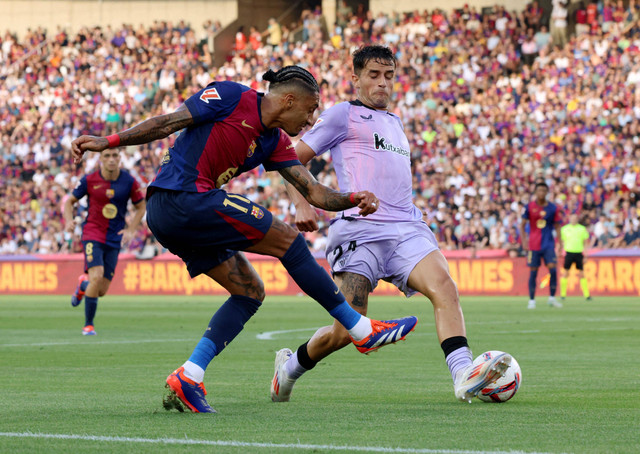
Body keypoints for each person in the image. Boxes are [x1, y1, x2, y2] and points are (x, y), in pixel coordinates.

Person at [70, 65, 418, 413]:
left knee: (250, 291)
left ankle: (189, 376)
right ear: (289, 100)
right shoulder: (231, 96)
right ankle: (359, 328)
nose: (311, 120)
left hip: (183, 215)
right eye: (310, 110)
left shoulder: (275, 141)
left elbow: (313, 191)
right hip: (179, 197)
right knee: (288, 239)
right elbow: (168, 122)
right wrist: (109, 141)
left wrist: (351, 198)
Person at [270, 46, 511, 405]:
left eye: (388, 75)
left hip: (406, 228)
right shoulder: (343, 115)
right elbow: (288, 158)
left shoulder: (396, 123)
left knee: (445, 287)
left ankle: (462, 374)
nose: (382, 83)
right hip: (358, 231)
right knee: (345, 332)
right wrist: (301, 202)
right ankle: (289, 369)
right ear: (356, 78)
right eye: (373, 75)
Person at [63, 149, 146, 335]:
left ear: (120, 158)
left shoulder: (129, 181)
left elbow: (141, 206)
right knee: (97, 275)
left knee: (101, 290)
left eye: (114, 156)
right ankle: (88, 325)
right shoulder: (89, 180)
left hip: (115, 237)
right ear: (100, 159)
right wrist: (69, 221)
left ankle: (82, 286)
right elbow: (70, 202)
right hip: (92, 233)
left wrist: (131, 229)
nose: (111, 159)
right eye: (107, 156)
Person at [520, 181, 564, 309]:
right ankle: (532, 300)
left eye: (544, 191)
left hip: (548, 244)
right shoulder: (529, 207)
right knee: (533, 272)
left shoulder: (552, 208)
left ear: (547, 192)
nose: (541, 193)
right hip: (533, 245)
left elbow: (557, 226)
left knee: (553, 270)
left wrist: (560, 243)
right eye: (539, 190)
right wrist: (524, 241)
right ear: (536, 192)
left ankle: (551, 298)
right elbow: (522, 225)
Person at [560, 213, 592, 301]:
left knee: (581, 273)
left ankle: (586, 295)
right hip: (569, 252)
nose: (573, 220)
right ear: (569, 219)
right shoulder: (564, 229)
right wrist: (560, 251)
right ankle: (563, 294)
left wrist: (586, 255)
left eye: (575, 218)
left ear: (577, 219)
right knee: (566, 272)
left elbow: (585, 243)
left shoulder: (582, 229)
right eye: (572, 218)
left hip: (578, 253)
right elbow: (561, 242)